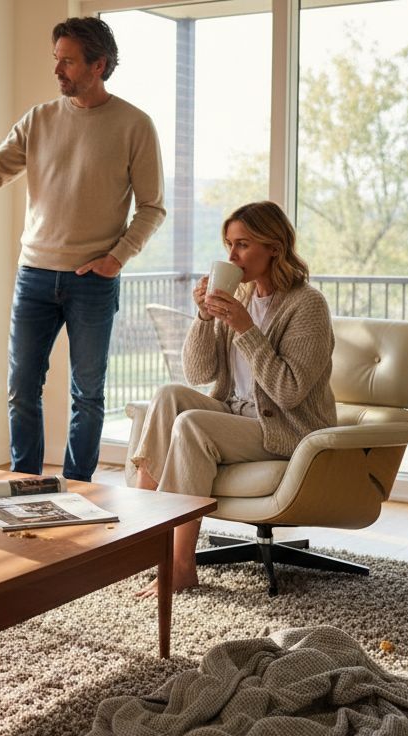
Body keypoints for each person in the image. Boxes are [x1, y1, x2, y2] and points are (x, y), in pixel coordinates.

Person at [0, 17, 165, 482]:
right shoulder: (39, 119)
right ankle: (26, 484)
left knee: (89, 394)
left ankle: (79, 488)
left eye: (68, 61)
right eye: (55, 60)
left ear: (99, 65)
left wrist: (115, 258)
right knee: (21, 390)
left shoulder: (134, 125)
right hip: (35, 276)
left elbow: (152, 207)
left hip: (92, 282)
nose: (58, 69)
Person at [128, 201, 336, 594]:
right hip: (236, 413)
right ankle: (139, 545)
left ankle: (181, 566)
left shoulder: (307, 305)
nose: (231, 256)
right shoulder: (238, 293)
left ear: (274, 247)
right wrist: (205, 318)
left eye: (242, 245)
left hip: (287, 430)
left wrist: (245, 327)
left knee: (192, 424)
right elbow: (198, 373)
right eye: (228, 245)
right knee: (169, 396)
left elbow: (289, 392)